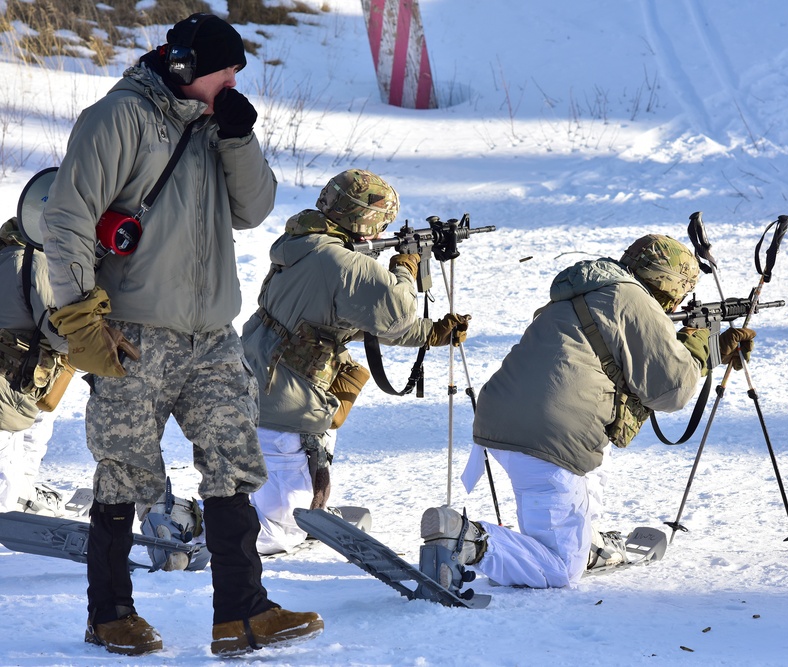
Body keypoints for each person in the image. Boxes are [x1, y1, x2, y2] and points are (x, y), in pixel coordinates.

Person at [39, 13, 322, 657]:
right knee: (124, 468)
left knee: (234, 459)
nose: (232, 81)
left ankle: (241, 614)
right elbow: (67, 215)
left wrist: (239, 138)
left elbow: (253, 210)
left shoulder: (214, 127)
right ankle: (109, 614)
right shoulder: (119, 118)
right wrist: (81, 314)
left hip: (211, 333)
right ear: (187, 67)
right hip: (132, 330)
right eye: (224, 70)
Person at [421, 234, 756, 589]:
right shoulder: (633, 300)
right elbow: (671, 390)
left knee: (591, 470)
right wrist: (702, 347)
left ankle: (587, 540)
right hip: (548, 435)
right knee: (560, 567)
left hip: (503, 419)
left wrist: (706, 347)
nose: (677, 305)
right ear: (668, 284)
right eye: (681, 294)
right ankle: (467, 540)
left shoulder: (589, 291)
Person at [240, 168, 470, 555]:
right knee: (277, 532)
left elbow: (348, 319)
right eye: (380, 225)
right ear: (362, 220)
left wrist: (430, 333)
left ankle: (243, 514)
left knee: (270, 494)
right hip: (285, 406)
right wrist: (405, 267)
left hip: (267, 389)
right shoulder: (339, 262)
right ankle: (189, 526)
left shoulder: (303, 245)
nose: (382, 235)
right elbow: (396, 312)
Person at [0, 218, 71, 516]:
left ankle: (21, 498)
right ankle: (9, 512)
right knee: (6, 461)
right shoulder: (33, 261)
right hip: (11, 379)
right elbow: (58, 334)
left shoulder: (5, 255)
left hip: (15, 376)